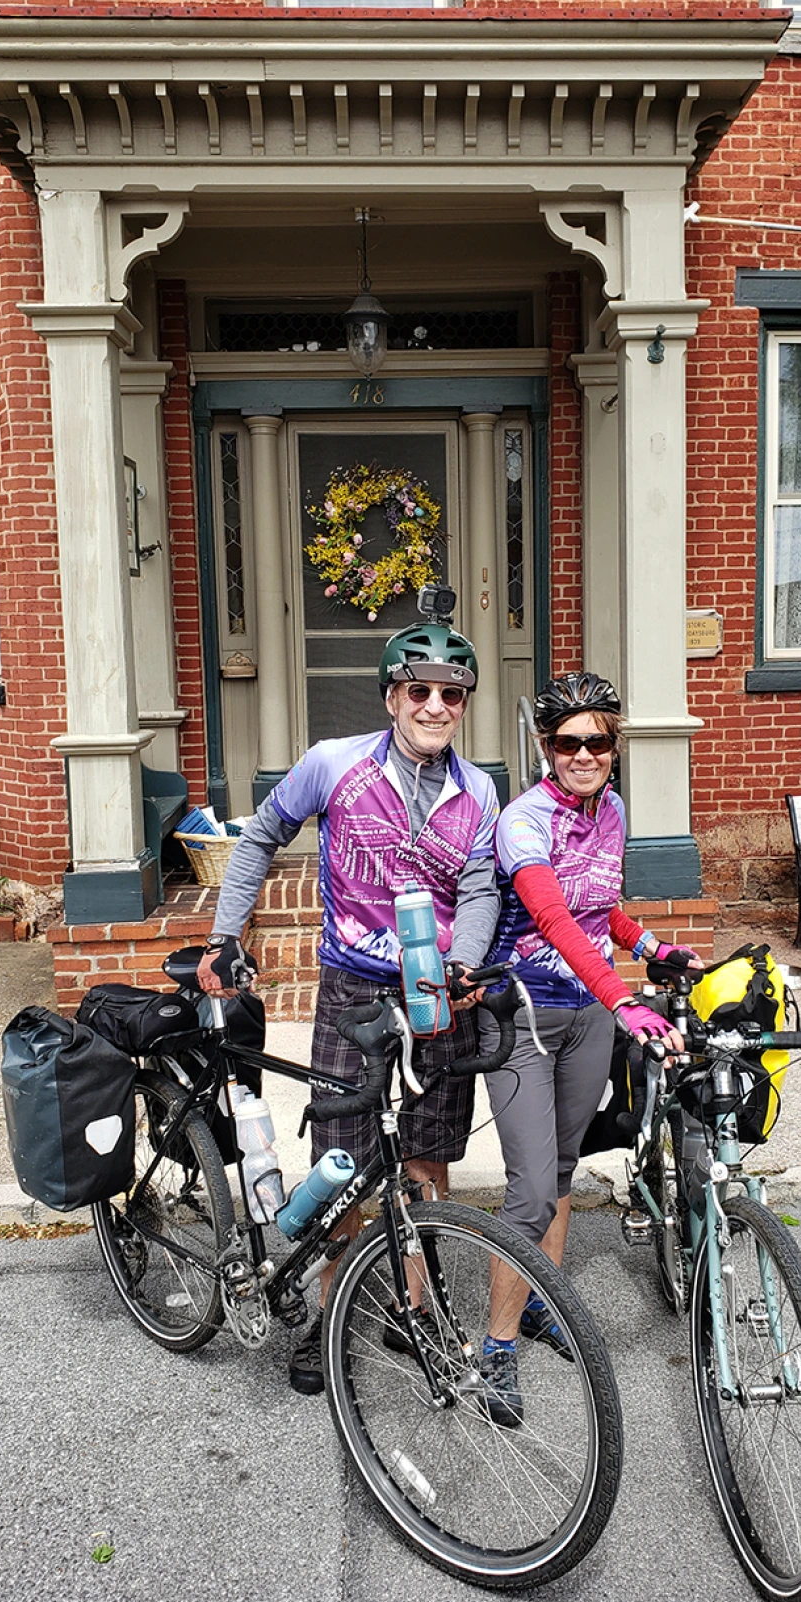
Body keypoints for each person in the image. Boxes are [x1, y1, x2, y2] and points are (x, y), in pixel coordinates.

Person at [198, 593, 500, 1396]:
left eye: (453, 693)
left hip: (436, 995)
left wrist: (463, 964)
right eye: (419, 689)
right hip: (351, 991)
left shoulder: (480, 791)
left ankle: (412, 1304)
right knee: (345, 1162)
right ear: (391, 695)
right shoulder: (334, 763)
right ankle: (333, 1315)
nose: (436, 705)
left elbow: (478, 890)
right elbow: (260, 833)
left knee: (428, 1159)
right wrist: (229, 937)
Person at [477, 671, 701, 1425]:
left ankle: (539, 1299)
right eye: (568, 741)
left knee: (564, 1170)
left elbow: (599, 911)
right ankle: (495, 1345)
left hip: (586, 1018)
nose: (583, 753)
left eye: (597, 740)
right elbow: (549, 914)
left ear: (614, 748)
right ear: (546, 748)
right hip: (520, 1016)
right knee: (531, 1187)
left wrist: (653, 945)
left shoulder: (615, 812)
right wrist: (624, 994)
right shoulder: (522, 820)